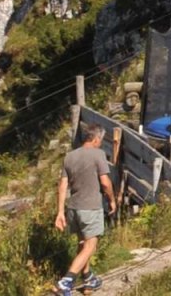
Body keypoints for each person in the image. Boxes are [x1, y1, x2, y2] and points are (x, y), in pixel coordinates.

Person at [54, 124, 116, 293]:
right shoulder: (98, 154)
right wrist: (112, 200)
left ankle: (88, 278)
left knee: (82, 242)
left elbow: (62, 185)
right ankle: (66, 281)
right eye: (100, 141)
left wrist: (60, 212)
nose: (100, 143)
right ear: (96, 139)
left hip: (73, 208)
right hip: (90, 207)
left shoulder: (69, 156)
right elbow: (105, 182)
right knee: (90, 246)